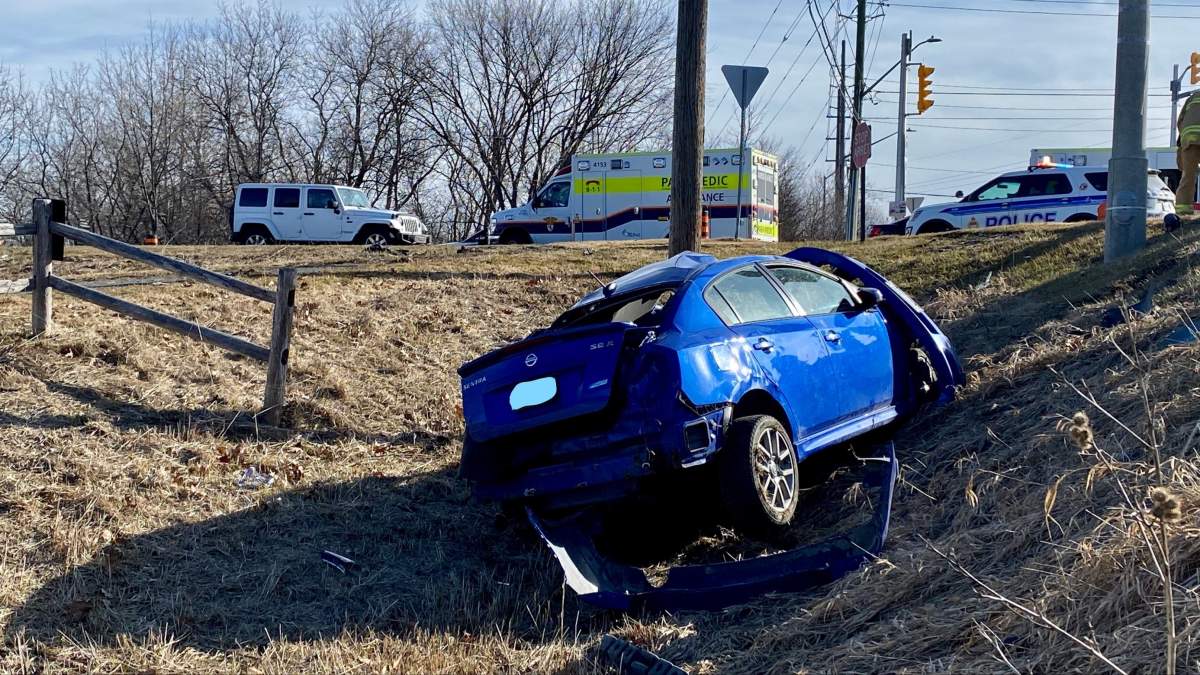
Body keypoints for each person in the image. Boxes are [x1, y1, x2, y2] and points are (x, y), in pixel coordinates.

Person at [1177, 91, 1200, 216]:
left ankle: (1183, 211)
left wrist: (1184, 138)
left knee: (1188, 176)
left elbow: (1180, 120)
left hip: (1188, 139)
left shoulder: (1193, 97)